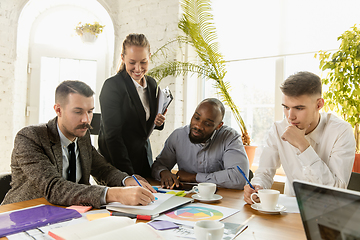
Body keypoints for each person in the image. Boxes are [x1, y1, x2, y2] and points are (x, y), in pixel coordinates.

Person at [2, 80, 156, 208]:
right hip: (23, 215)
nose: (86, 120)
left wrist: (126, 181)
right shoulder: (30, 137)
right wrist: (114, 194)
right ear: (58, 110)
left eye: (90, 111)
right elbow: (54, 188)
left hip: (71, 215)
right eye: (78, 112)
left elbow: (103, 169)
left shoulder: (82, 136)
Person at [244, 71, 356, 204]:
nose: (290, 116)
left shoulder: (341, 131)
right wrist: (257, 186)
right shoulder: (278, 129)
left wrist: (303, 146)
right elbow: (264, 172)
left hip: (327, 214)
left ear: (319, 104)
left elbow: (336, 190)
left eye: (299, 108)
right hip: (290, 212)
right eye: (286, 107)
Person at [98, 33, 166, 178]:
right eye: (132, 62)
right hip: (117, 163)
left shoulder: (152, 84)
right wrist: (128, 175)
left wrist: (158, 122)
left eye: (143, 62)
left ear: (150, 57)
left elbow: (143, 124)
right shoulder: (112, 86)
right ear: (123, 58)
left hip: (143, 159)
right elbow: (113, 137)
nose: (138, 68)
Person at [151, 98, 249, 189]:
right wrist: (163, 172)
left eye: (207, 124)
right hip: (186, 197)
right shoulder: (178, 136)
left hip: (222, 199)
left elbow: (239, 178)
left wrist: (194, 177)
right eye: (197, 118)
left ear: (219, 126)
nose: (198, 126)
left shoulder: (230, 138)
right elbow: (158, 166)